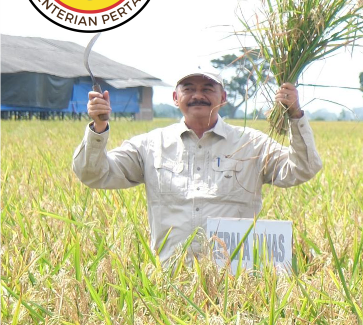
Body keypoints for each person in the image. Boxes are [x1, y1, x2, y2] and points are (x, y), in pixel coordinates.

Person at [71, 74, 320, 263]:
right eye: (188, 89)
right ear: (175, 98)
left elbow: (303, 168)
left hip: (237, 283)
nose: (198, 95)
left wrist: (295, 115)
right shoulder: (150, 145)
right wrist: (99, 128)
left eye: (208, 89)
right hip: (171, 278)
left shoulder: (251, 144)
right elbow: (94, 174)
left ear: (222, 98)